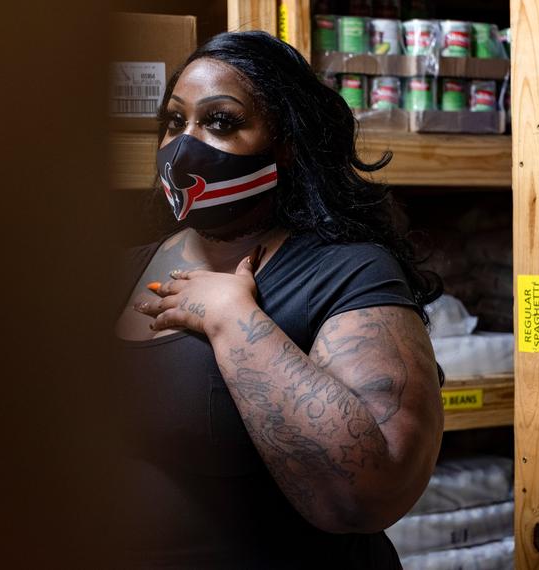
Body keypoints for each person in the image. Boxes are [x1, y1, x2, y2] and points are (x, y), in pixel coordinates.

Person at [113, 31, 444, 569]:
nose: (184, 145)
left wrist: (233, 320)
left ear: (286, 143)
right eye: (176, 122)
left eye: (220, 121)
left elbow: (371, 491)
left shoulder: (346, 270)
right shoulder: (121, 267)